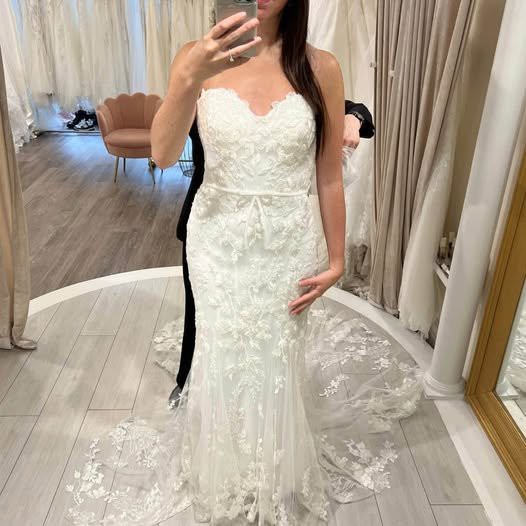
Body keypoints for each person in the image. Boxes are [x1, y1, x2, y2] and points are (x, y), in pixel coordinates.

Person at [66, 2, 423, 524]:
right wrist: (188, 76)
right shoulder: (196, 56)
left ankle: (275, 467)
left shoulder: (320, 67)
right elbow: (161, 155)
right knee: (221, 351)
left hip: (288, 241)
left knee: (276, 356)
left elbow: (327, 174)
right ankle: (221, 467)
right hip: (217, 240)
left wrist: (337, 258)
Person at [168, 77, 375, 409]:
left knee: (269, 325)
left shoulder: (293, 74)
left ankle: (264, 400)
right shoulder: (204, 74)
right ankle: (188, 382)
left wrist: (354, 117)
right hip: (212, 227)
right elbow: (164, 149)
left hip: (276, 235)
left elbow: (350, 108)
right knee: (202, 316)